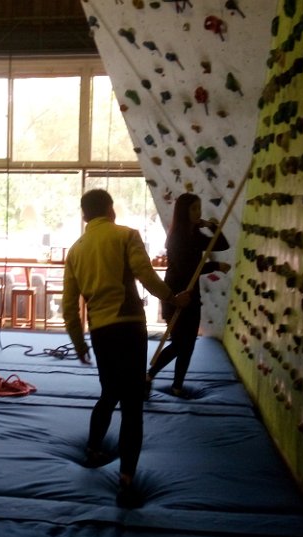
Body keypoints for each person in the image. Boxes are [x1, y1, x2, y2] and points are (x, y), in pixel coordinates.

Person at [62, 189, 190, 508]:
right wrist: (173, 298)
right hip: (129, 327)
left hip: (101, 331)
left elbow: (68, 306)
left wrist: (79, 343)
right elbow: (145, 275)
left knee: (109, 392)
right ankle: (126, 481)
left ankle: (93, 449)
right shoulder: (126, 235)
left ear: (84, 215)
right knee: (132, 404)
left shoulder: (76, 250)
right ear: (111, 210)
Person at [146, 192, 230, 397]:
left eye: (199, 208)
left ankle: (177, 386)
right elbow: (187, 270)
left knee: (189, 344)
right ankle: (148, 376)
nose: (198, 212)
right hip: (175, 297)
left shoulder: (195, 235)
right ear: (184, 211)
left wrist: (211, 226)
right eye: (193, 208)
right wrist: (215, 266)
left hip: (192, 297)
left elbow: (222, 244)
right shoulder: (176, 238)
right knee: (179, 344)